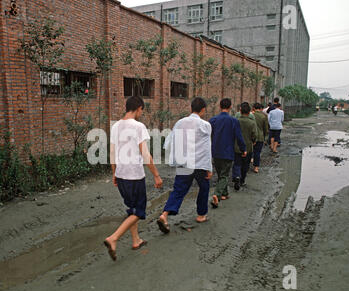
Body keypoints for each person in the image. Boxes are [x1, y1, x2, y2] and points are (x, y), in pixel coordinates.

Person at [104, 96, 163, 261]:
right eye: (141, 111)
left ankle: (136, 240)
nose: (141, 113)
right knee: (139, 211)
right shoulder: (138, 126)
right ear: (138, 108)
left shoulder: (116, 126)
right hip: (134, 176)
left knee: (132, 209)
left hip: (121, 175)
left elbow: (112, 152)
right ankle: (113, 238)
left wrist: (114, 172)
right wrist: (157, 175)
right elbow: (145, 154)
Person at [157, 97, 213, 233]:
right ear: (203, 110)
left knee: (179, 190)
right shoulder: (205, 125)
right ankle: (201, 215)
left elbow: (172, 140)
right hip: (200, 164)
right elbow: (207, 148)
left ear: (191, 108)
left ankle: (164, 215)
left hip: (184, 163)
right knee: (204, 187)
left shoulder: (180, 123)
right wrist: (209, 167)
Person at [209, 98, 246, 206]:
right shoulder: (234, 121)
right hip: (228, 152)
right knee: (224, 175)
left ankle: (225, 193)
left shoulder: (213, 120)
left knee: (221, 173)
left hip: (215, 151)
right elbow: (239, 137)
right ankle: (217, 194)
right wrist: (243, 149)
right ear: (230, 107)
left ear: (220, 107)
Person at [232, 102, 257, 188]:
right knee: (245, 164)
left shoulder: (235, 121)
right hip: (248, 147)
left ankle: (236, 176)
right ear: (249, 112)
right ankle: (242, 180)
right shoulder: (252, 123)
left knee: (237, 163)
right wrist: (254, 141)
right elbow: (254, 135)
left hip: (236, 146)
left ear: (240, 111)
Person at [252, 103, 268, 173]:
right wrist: (264, 136)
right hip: (260, 136)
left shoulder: (251, 115)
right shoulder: (263, 116)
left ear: (253, 108)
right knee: (257, 152)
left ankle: (251, 159)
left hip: (251, 136)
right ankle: (256, 167)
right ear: (260, 108)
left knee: (251, 150)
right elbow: (265, 129)